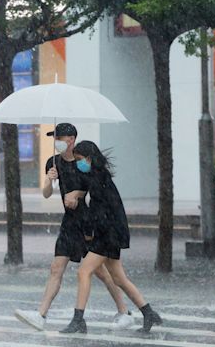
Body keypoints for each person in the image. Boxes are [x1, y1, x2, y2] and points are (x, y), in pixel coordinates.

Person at [15, 123, 133, 332]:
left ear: (71, 139)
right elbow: (45, 194)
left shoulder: (83, 163)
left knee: (101, 272)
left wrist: (77, 195)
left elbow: (94, 188)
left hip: (88, 222)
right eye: (55, 138)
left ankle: (124, 311)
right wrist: (48, 181)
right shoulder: (53, 162)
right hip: (69, 222)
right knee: (56, 268)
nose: (57, 142)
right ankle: (41, 315)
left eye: (60, 138)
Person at [60, 140, 162, 334]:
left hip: (107, 235)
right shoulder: (99, 176)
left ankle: (78, 320)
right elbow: (90, 194)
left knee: (84, 272)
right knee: (119, 278)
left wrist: (89, 231)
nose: (78, 163)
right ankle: (149, 313)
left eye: (80, 160)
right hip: (111, 233)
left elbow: (98, 211)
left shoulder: (97, 179)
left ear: (88, 158)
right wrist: (76, 193)